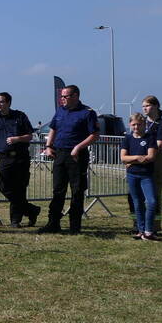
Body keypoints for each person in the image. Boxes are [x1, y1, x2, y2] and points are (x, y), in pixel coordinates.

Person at [38, 85, 99, 235]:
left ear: (75, 96)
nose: (62, 99)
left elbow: (94, 135)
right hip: (60, 154)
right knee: (58, 190)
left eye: (65, 96)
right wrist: (48, 146)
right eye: (62, 97)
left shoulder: (87, 113)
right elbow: (53, 129)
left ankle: (74, 226)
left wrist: (78, 147)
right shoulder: (60, 111)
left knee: (77, 191)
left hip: (76, 156)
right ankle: (53, 223)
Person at [0, 92, 40, 228]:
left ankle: (15, 221)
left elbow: (29, 136)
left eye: (1, 102)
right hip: (5, 158)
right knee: (3, 185)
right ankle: (31, 210)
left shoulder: (20, 116)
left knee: (20, 188)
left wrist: (17, 139)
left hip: (21, 157)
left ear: (9, 102)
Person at [121, 113, 158, 240]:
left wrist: (131, 161)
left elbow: (151, 157)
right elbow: (123, 157)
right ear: (130, 125)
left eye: (139, 124)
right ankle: (141, 230)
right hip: (132, 175)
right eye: (133, 124)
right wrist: (136, 158)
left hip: (146, 175)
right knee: (137, 203)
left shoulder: (150, 138)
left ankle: (148, 231)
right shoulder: (127, 139)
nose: (136, 127)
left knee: (152, 202)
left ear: (144, 124)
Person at [142, 95, 162, 231]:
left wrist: (145, 152)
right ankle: (139, 225)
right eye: (143, 106)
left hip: (156, 163)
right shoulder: (141, 122)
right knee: (138, 197)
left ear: (156, 106)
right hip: (140, 163)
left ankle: (155, 226)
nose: (145, 109)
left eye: (147, 105)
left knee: (155, 197)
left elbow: (159, 144)